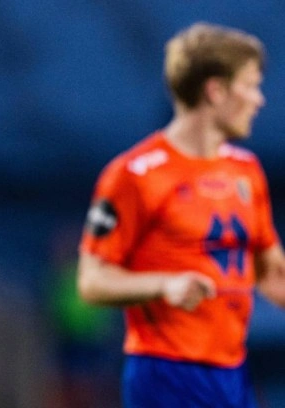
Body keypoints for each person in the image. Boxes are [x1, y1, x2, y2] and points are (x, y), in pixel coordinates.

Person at [77, 22, 285, 408]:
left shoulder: (247, 171)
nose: (259, 100)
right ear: (216, 90)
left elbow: (272, 275)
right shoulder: (133, 175)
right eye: (251, 86)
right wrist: (163, 285)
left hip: (233, 372)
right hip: (166, 372)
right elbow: (91, 280)